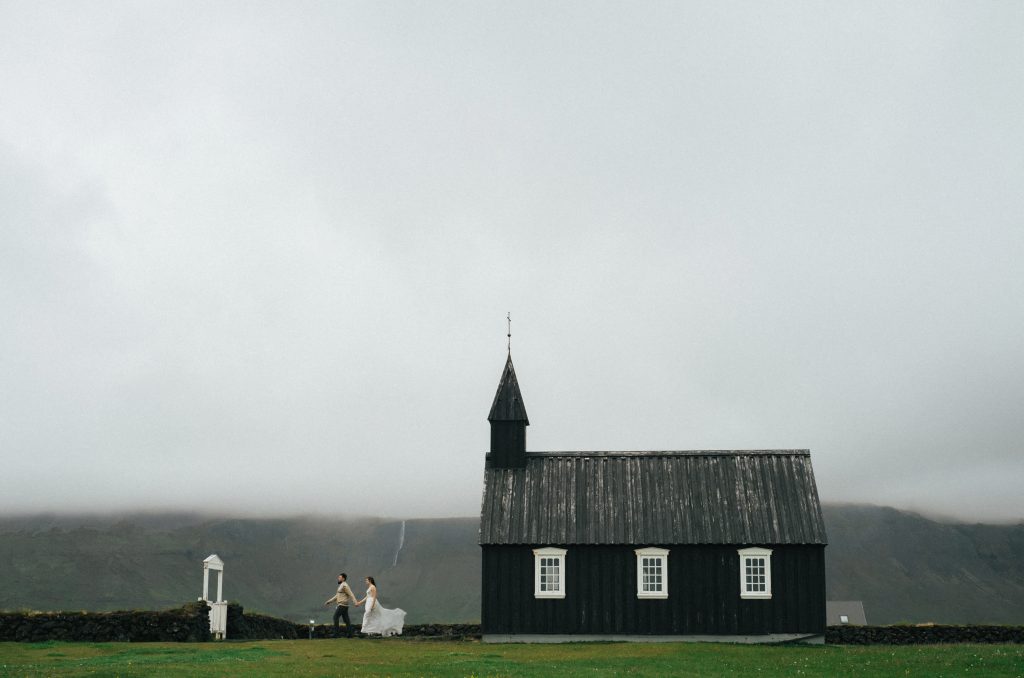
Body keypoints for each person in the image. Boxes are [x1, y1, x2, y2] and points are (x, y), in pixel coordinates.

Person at [323, 572, 357, 638]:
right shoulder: (341, 585)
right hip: (344, 606)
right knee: (346, 620)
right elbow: (337, 596)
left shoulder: (345, 586)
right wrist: (329, 601)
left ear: (343, 579)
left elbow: (351, 594)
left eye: (339, 577)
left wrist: (355, 602)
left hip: (342, 605)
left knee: (335, 617)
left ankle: (336, 634)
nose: (338, 578)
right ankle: (350, 634)